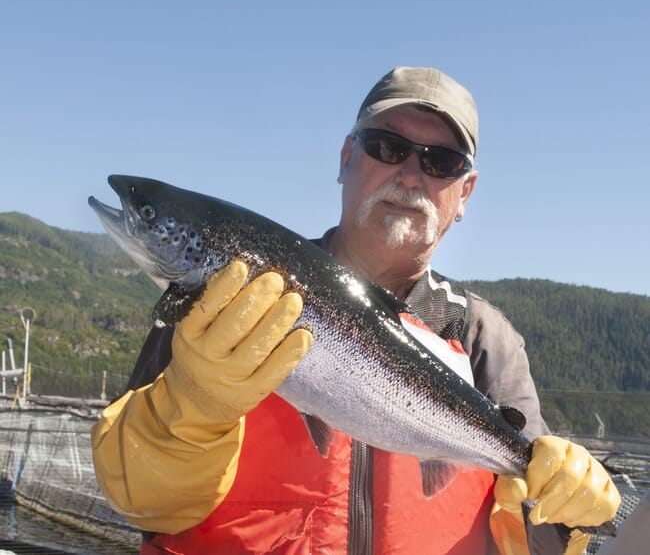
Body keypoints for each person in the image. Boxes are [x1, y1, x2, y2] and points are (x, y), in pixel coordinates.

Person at [91, 66, 620, 555]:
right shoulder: (230, 293)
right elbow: (135, 498)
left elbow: (535, 528)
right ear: (347, 158)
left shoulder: (484, 338)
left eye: (442, 162)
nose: (412, 174)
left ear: (465, 194)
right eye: (388, 147)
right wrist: (192, 407)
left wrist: (567, 510)